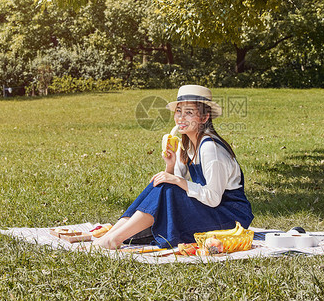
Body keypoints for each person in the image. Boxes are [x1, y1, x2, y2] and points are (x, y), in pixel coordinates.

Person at [96, 85, 254, 249]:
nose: (181, 118)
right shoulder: (187, 143)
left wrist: (175, 179)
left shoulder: (210, 148)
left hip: (229, 217)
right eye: (178, 111)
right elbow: (175, 187)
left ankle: (115, 238)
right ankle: (112, 235)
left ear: (204, 117)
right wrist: (169, 166)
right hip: (209, 209)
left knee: (167, 185)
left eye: (189, 113)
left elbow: (213, 198)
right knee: (160, 183)